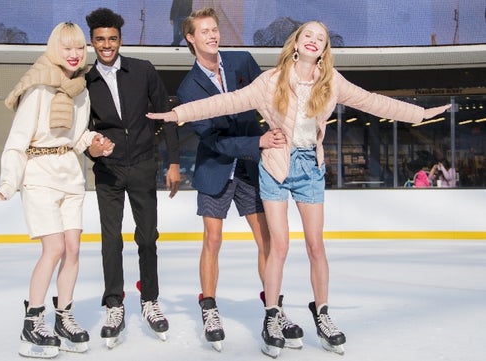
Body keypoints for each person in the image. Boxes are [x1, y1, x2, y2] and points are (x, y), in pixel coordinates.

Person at [147, 20, 451, 358]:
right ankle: (272, 316)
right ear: (296, 42)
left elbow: (374, 103)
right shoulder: (271, 81)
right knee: (278, 245)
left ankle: (322, 313)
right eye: (308, 35)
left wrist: (419, 114)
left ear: (324, 50)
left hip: (310, 167)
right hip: (276, 163)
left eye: (320, 38)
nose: (313, 41)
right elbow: (225, 103)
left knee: (316, 246)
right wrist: (178, 114)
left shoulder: (331, 81)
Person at [178, 7, 302, 351]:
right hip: (216, 167)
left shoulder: (242, 62)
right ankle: (209, 308)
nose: (213, 36)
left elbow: (270, 94)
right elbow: (211, 138)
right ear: (191, 38)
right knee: (213, 240)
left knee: (267, 241)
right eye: (204, 31)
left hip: (249, 168)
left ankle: (274, 309)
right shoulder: (189, 87)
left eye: (215, 30)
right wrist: (257, 141)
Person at [0, 21, 114, 358]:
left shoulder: (81, 91)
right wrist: (9, 181)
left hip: (71, 177)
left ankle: (64, 316)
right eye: (67, 48)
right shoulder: (38, 89)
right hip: (39, 176)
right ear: (54, 50)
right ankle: (33, 321)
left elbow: (76, 138)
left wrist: (94, 141)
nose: (75, 54)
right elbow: (17, 141)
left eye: (79, 48)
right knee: (55, 249)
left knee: (73, 250)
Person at [84, 7, 181, 346]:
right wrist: (91, 150)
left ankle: (150, 299)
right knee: (111, 240)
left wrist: (173, 163)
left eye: (112, 38)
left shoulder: (142, 71)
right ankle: (114, 303)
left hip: (142, 164)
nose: (106, 45)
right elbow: (81, 131)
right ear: (92, 42)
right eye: (100, 39)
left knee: (147, 236)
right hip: (108, 171)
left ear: (120, 39)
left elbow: (166, 116)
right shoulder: (85, 81)